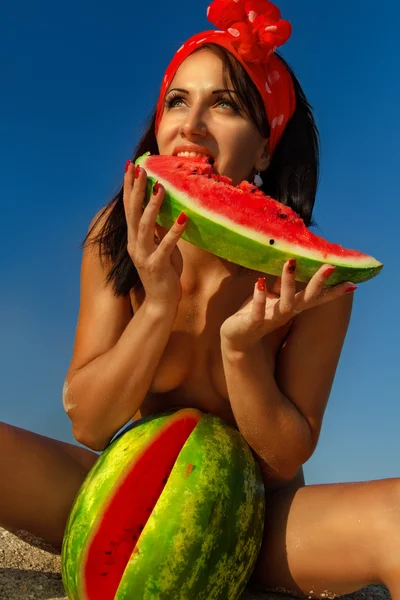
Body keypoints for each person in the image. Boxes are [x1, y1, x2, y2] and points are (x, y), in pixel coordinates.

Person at [1, 0, 398, 597]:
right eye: (177, 101)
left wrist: (240, 353)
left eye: (227, 104)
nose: (190, 124)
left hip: (255, 520)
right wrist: (156, 307)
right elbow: (89, 420)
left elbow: (283, 459)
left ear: (265, 150)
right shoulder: (115, 237)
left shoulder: (314, 282)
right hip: (123, 489)